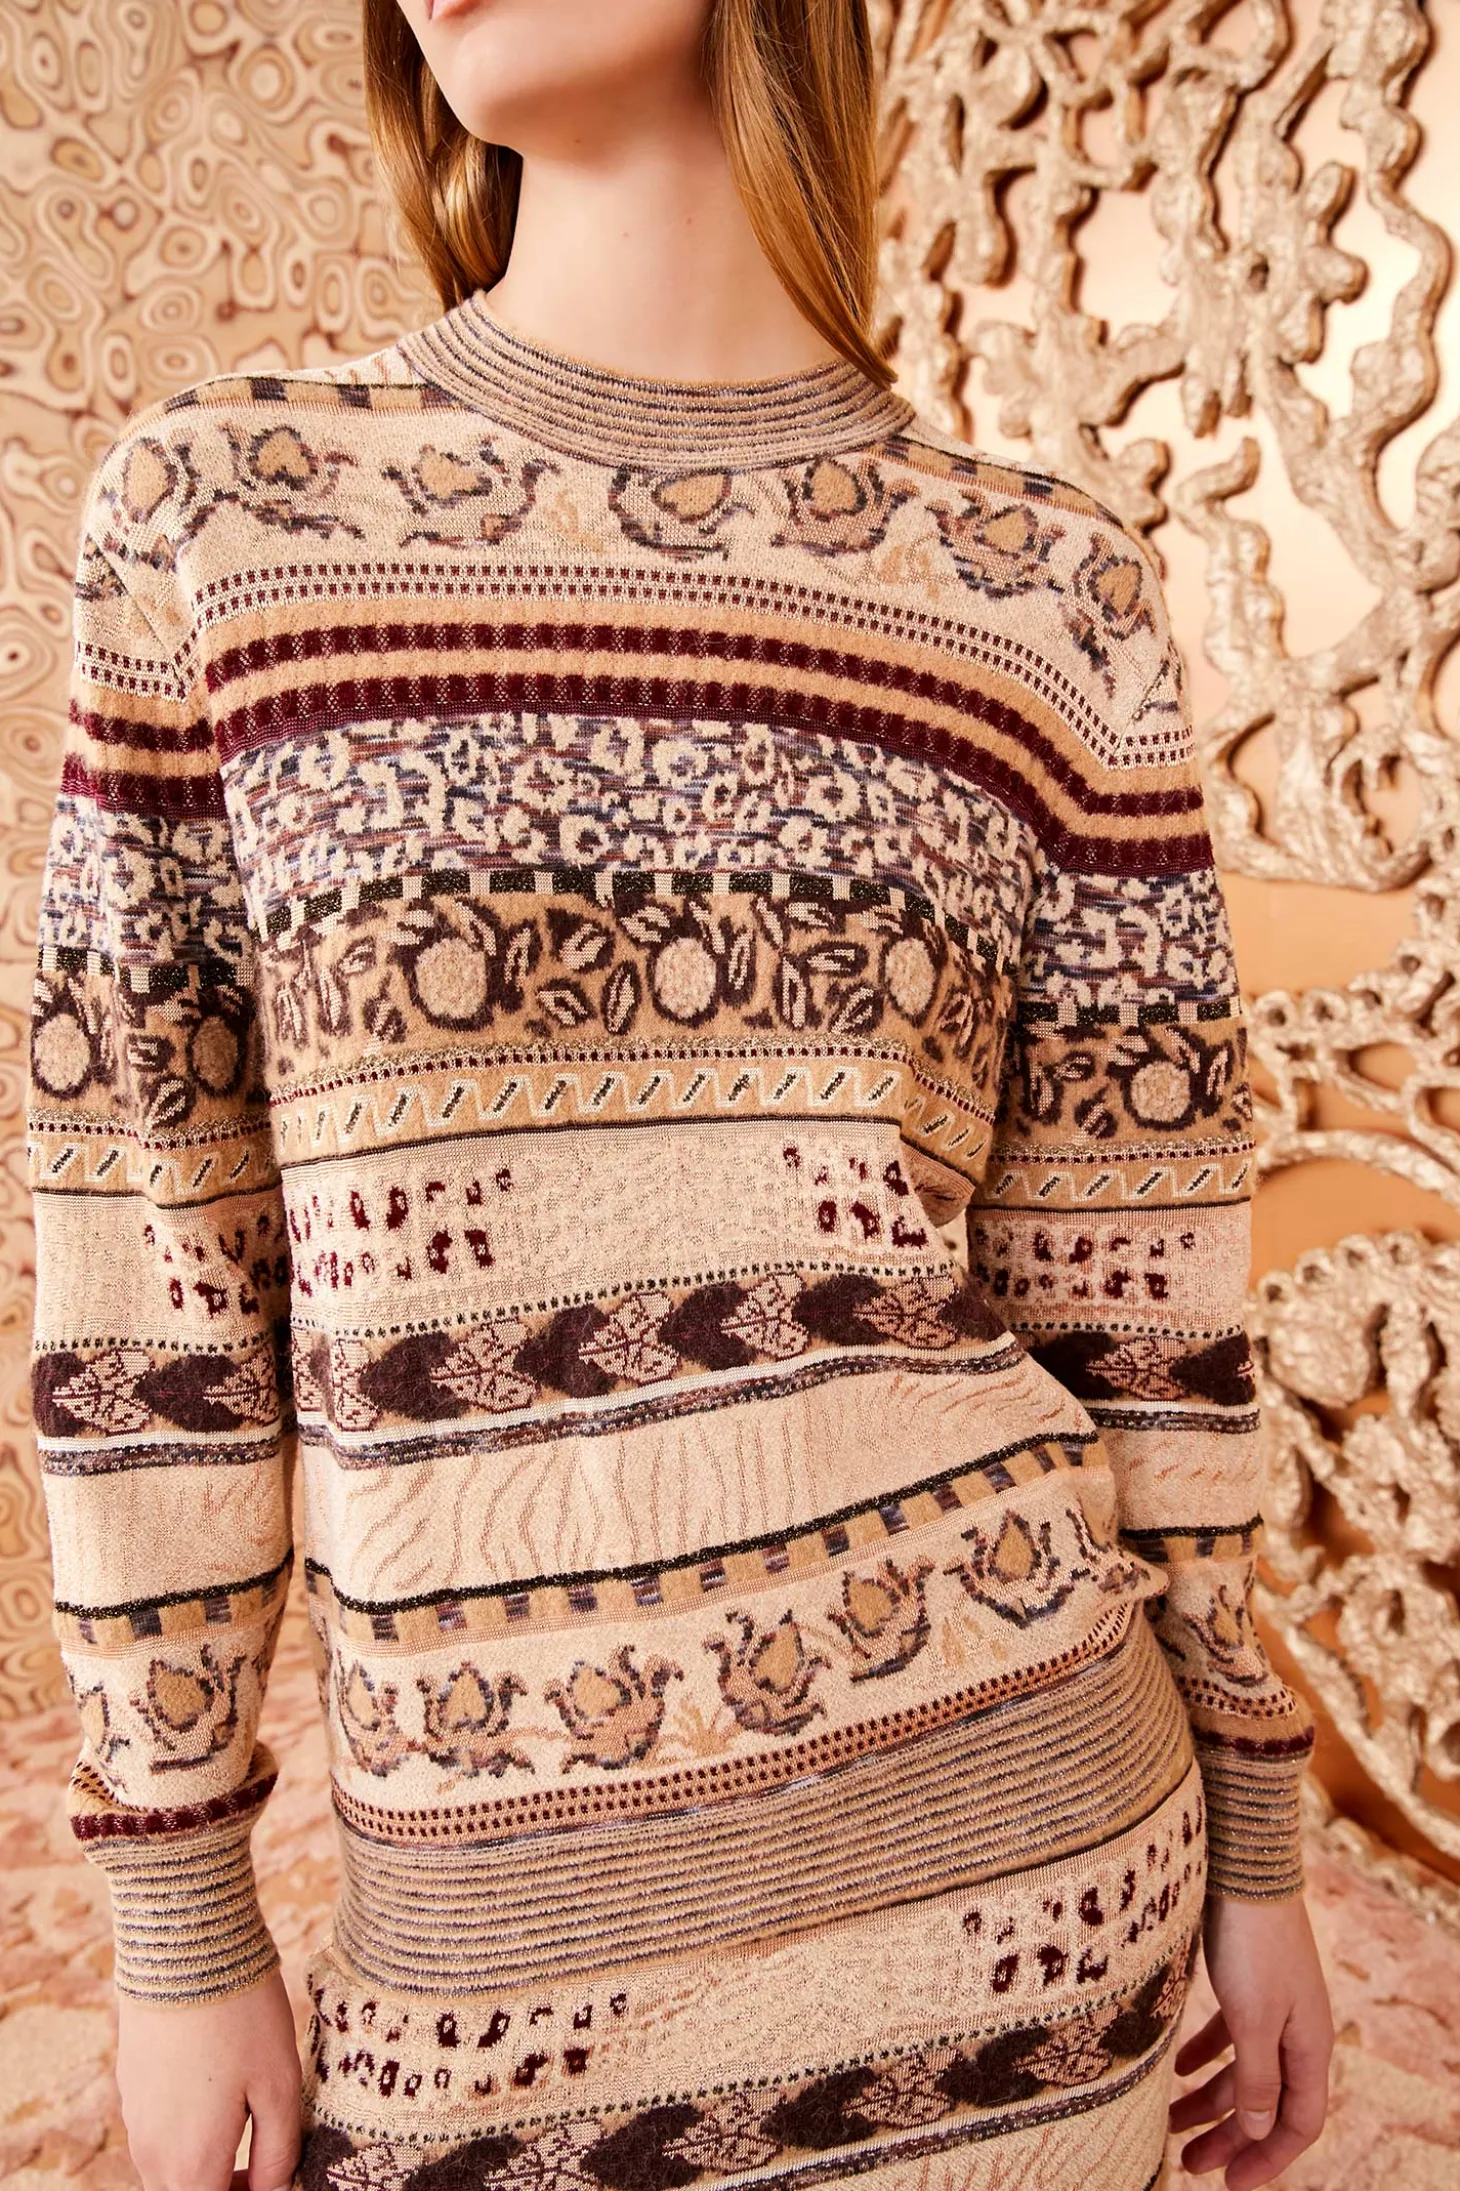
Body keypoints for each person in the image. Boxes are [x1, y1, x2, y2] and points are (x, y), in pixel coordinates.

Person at [27, 1, 1334, 2186]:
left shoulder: (1042, 590)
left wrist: (1259, 1841)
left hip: (1034, 1885)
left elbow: (1143, 1304)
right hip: (486, 1951)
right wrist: (179, 1912)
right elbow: (152, 1266)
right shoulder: (225, 513)